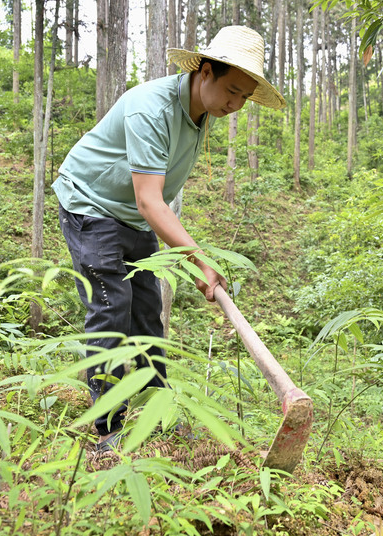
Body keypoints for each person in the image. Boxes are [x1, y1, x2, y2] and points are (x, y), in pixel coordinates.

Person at [53, 25, 285, 452]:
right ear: (206, 72)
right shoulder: (151, 108)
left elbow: (161, 195)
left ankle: (159, 412)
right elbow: (149, 201)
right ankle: (109, 433)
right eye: (232, 91)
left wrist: (182, 251)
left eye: (244, 98)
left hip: (135, 218)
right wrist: (200, 260)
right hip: (91, 205)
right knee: (111, 311)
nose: (235, 105)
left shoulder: (200, 114)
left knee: (147, 315)